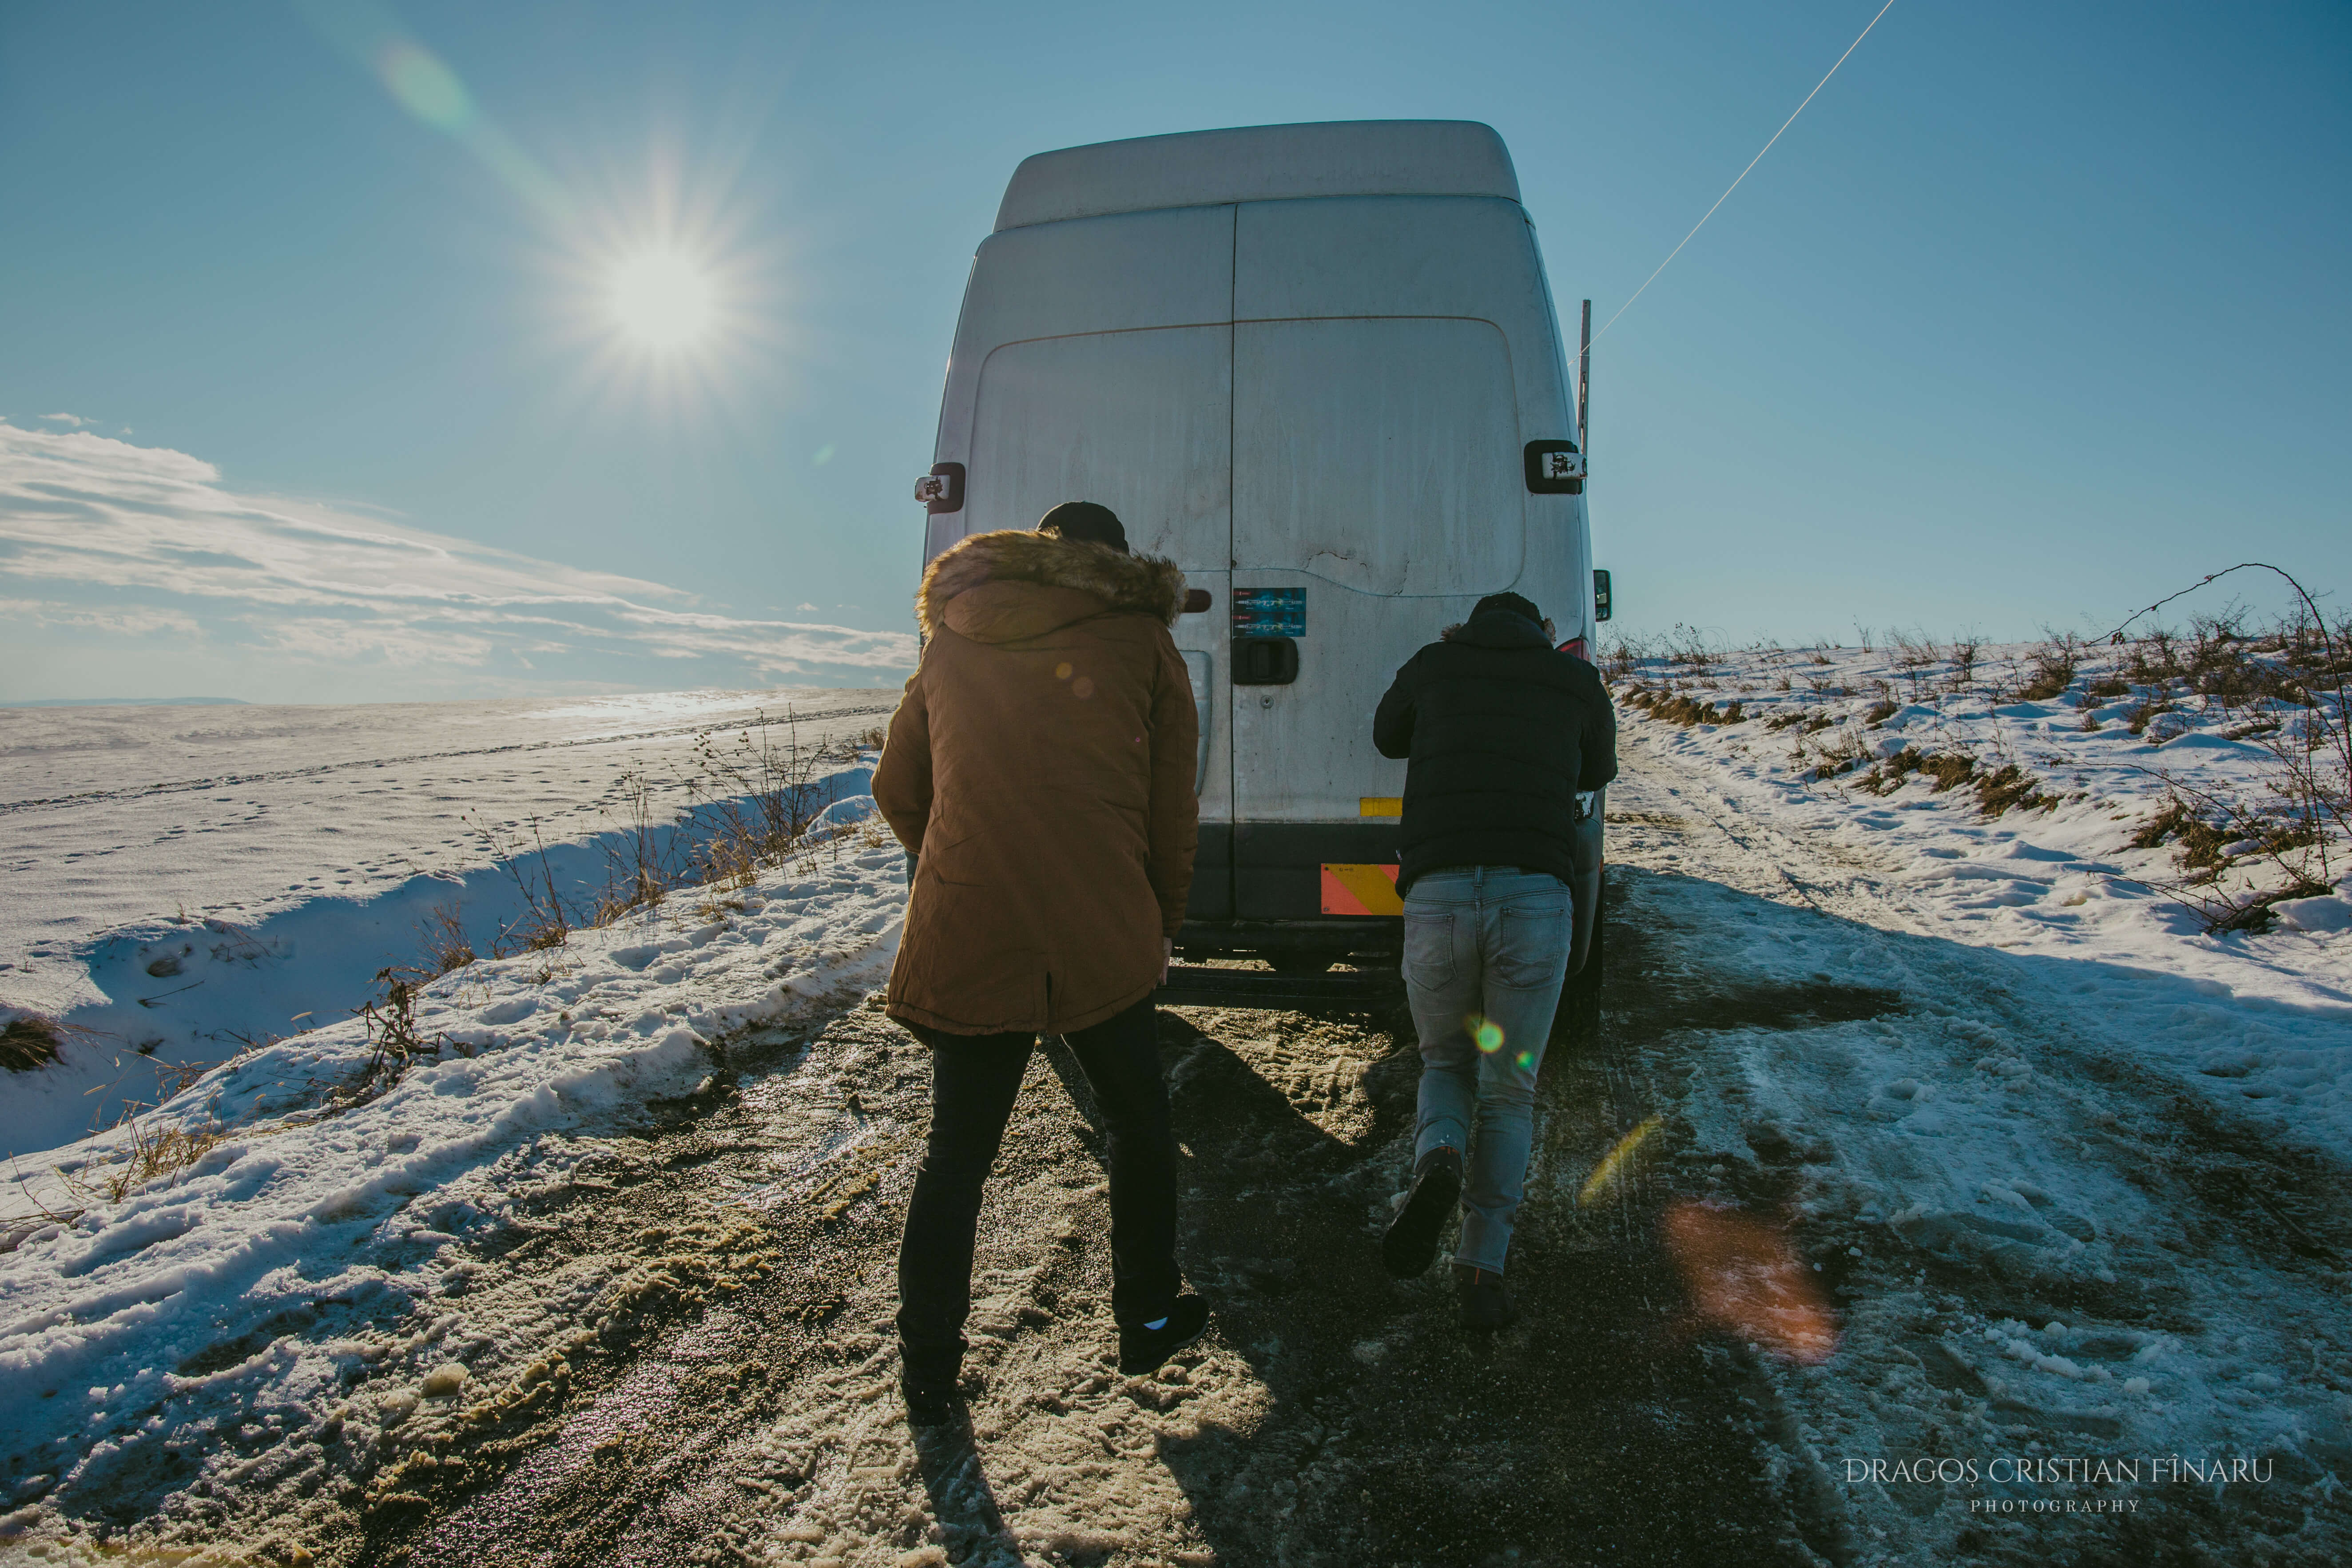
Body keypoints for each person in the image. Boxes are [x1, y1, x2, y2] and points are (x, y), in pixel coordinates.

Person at [873, 500, 1210, 1424]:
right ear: (1117, 560)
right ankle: (1144, 1313)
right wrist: (1157, 923)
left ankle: (928, 1368)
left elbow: (896, 787)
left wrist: (953, 860)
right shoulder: (1142, 638)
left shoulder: (954, 635)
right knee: (1138, 1126)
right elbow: (1168, 809)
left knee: (956, 1156)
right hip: (1101, 920)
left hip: (973, 917)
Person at [1370, 591, 1617, 1328]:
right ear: (1540, 631)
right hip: (1534, 898)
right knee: (1510, 1089)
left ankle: (1440, 1154)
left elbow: (1387, 737)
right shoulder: (1574, 680)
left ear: (1470, 626)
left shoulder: (1434, 664)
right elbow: (1596, 770)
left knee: (1445, 1063)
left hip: (1440, 893)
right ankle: (1483, 1269)